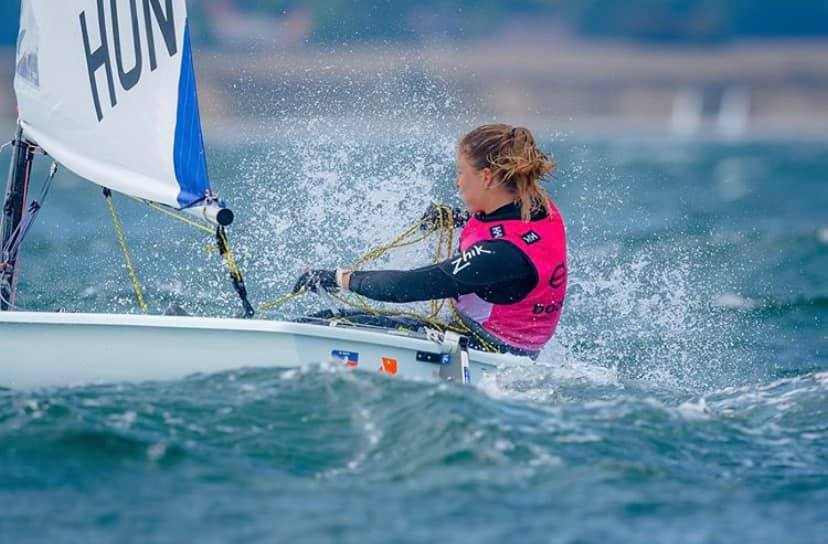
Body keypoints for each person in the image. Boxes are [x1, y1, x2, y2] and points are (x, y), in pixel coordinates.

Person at [292, 124, 567, 358]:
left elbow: (407, 287)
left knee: (323, 323)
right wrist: (457, 218)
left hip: (487, 351)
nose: (458, 183)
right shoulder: (537, 205)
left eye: (462, 172)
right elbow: (507, 227)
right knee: (329, 320)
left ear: (486, 177)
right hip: (512, 345)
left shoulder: (499, 256)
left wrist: (341, 278)